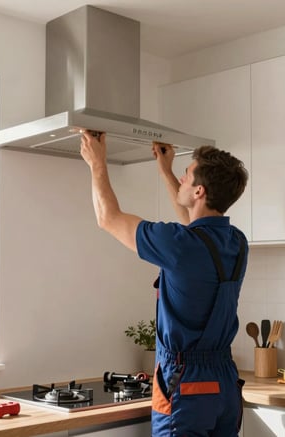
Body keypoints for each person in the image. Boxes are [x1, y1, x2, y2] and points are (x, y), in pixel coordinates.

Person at [80, 131, 249, 437]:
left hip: (186, 384)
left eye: (186, 176)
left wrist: (97, 163)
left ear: (199, 191)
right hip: (224, 384)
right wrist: (167, 171)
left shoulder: (179, 244)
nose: (182, 181)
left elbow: (108, 217)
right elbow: (192, 222)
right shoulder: (236, 243)